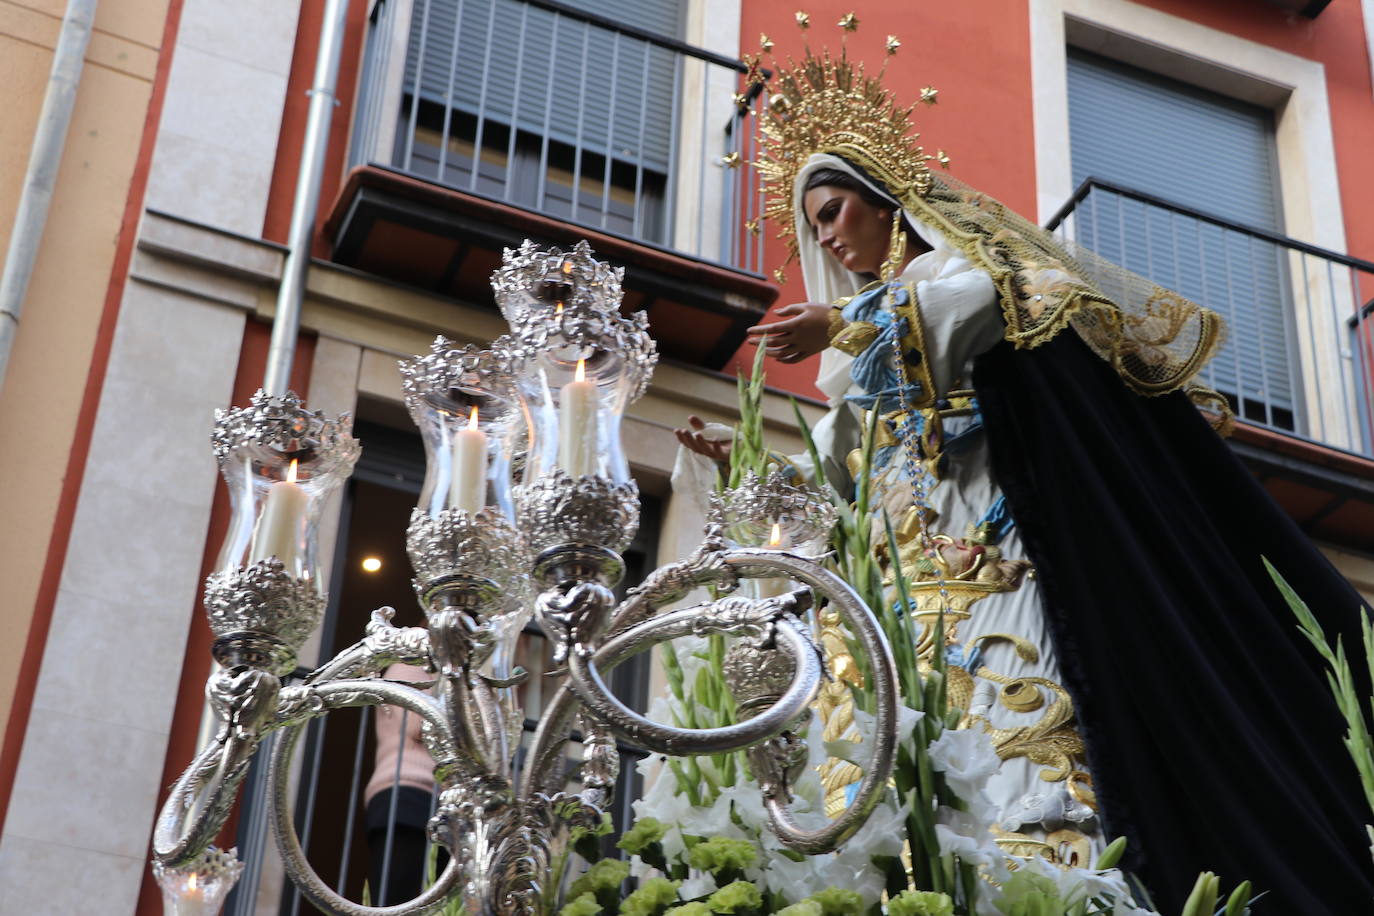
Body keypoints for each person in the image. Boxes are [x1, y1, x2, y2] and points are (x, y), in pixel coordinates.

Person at [676, 44, 1372, 914]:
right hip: (901, 596)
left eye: (833, 209)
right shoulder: (857, 367)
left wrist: (848, 326)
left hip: (997, 561)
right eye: (812, 225)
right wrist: (739, 464)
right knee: (903, 765)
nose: (824, 234)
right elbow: (835, 476)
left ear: (887, 199)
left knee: (1017, 740)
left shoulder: (959, 272)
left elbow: (992, 297)